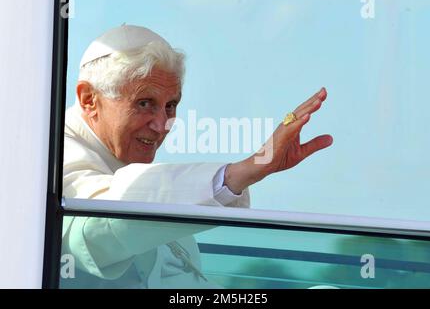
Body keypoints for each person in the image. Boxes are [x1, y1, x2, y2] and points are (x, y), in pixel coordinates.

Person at [61, 24, 333, 289]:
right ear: (89, 99)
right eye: (144, 103)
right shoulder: (52, 154)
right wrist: (241, 172)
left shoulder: (127, 162)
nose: (161, 125)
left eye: (170, 106)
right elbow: (96, 231)